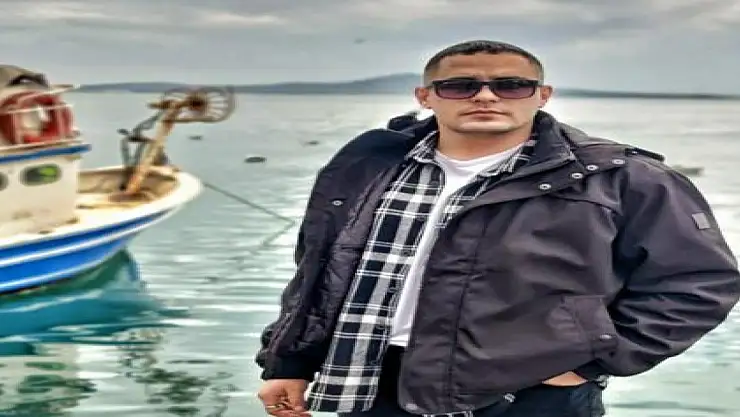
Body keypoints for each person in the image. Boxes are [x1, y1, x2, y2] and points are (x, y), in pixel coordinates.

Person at [254, 40, 740, 417]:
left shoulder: (622, 178)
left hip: (524, 394)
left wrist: (593, 362)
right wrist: (289, 362)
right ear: (425, 96)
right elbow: (319, 270)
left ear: (542, 96)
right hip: (368, 382)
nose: (485, 96)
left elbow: (699, 282)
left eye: (511, 86)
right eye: (459, 86)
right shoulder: (367, 167)